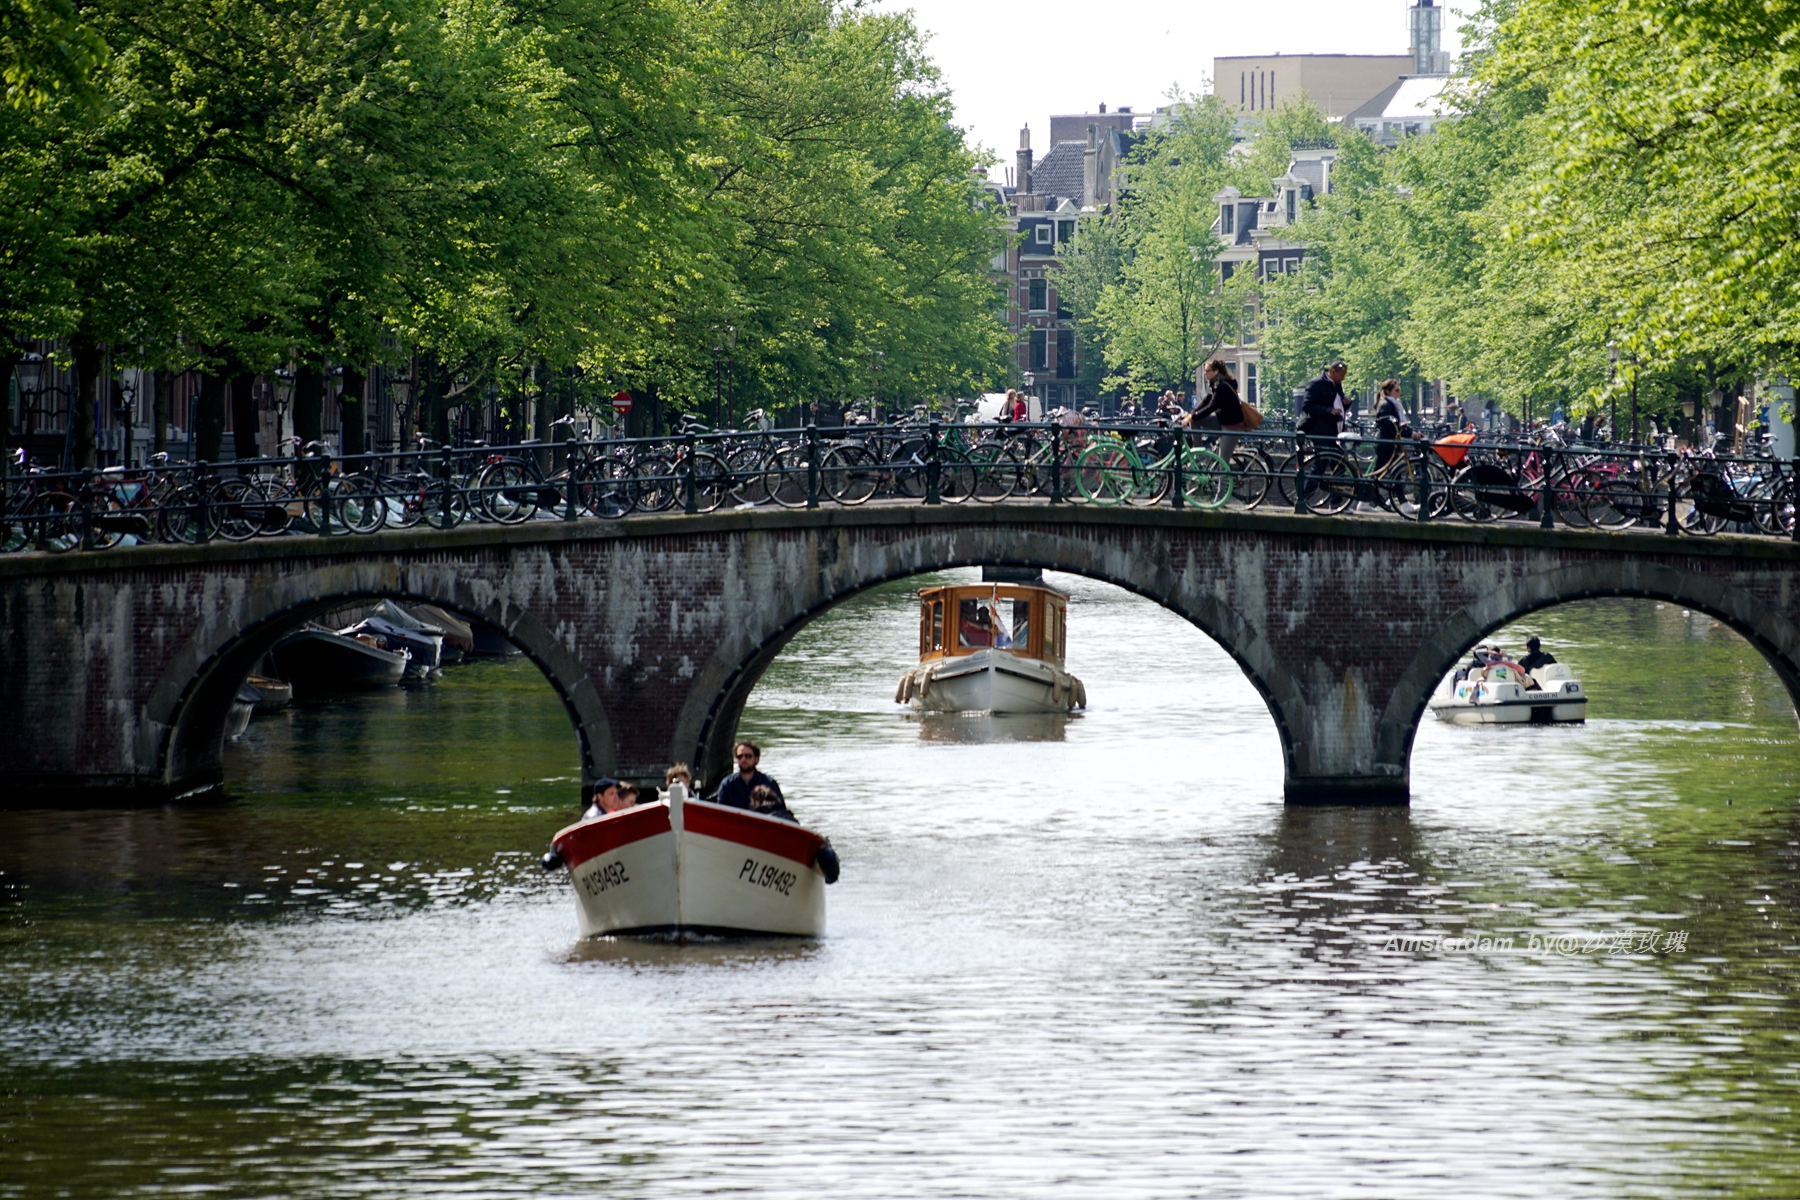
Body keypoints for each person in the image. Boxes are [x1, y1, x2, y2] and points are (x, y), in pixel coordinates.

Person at [1192, 360, 1247, 461]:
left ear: (1216, 371)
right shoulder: (1216, 384)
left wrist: (1192, 416)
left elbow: (1211, 407)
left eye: (1207, 371)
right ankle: (1198, 454)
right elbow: (1207, 399)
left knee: (1222, 462)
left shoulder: (1222, 387)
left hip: (1232, 426)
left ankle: (1224, 476)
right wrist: (1192, 415)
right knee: (1195, 421)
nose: (1205, 373)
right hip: (1223, 421)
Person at [716, 740, 783, 809]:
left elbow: (780, 811)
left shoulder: (769, 783)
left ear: (756, 759)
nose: (743, 759)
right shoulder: (727, 784)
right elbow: (720, 811)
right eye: (740, 756)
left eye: (748, 756)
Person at [1300, 361, 1349, 447]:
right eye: (1341, 375)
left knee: (1338, 458)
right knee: (1326, 458)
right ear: (1333, 372)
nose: (1343, 378)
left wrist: (1346, 403)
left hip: (1336, 430)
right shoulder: (1316, 383)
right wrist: (1329, 411)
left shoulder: (1337, 384)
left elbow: (1337, 404)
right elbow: (1307, 405)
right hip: (1321, 431)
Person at [1371, 378, 1414, 475]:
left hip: (1386, 443)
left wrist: (1413, 431)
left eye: (1399, 390)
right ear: (1388, 391)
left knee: (1377, 473)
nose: (1399, 392)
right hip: (1386, 444)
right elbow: (1391, 427)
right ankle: (1398, 490)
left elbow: (1400, 425)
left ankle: (1368, 488)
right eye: (1396, 390)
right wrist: (1410, 434)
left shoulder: (1392, 404)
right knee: (1396, 474)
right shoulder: (1386, 405)